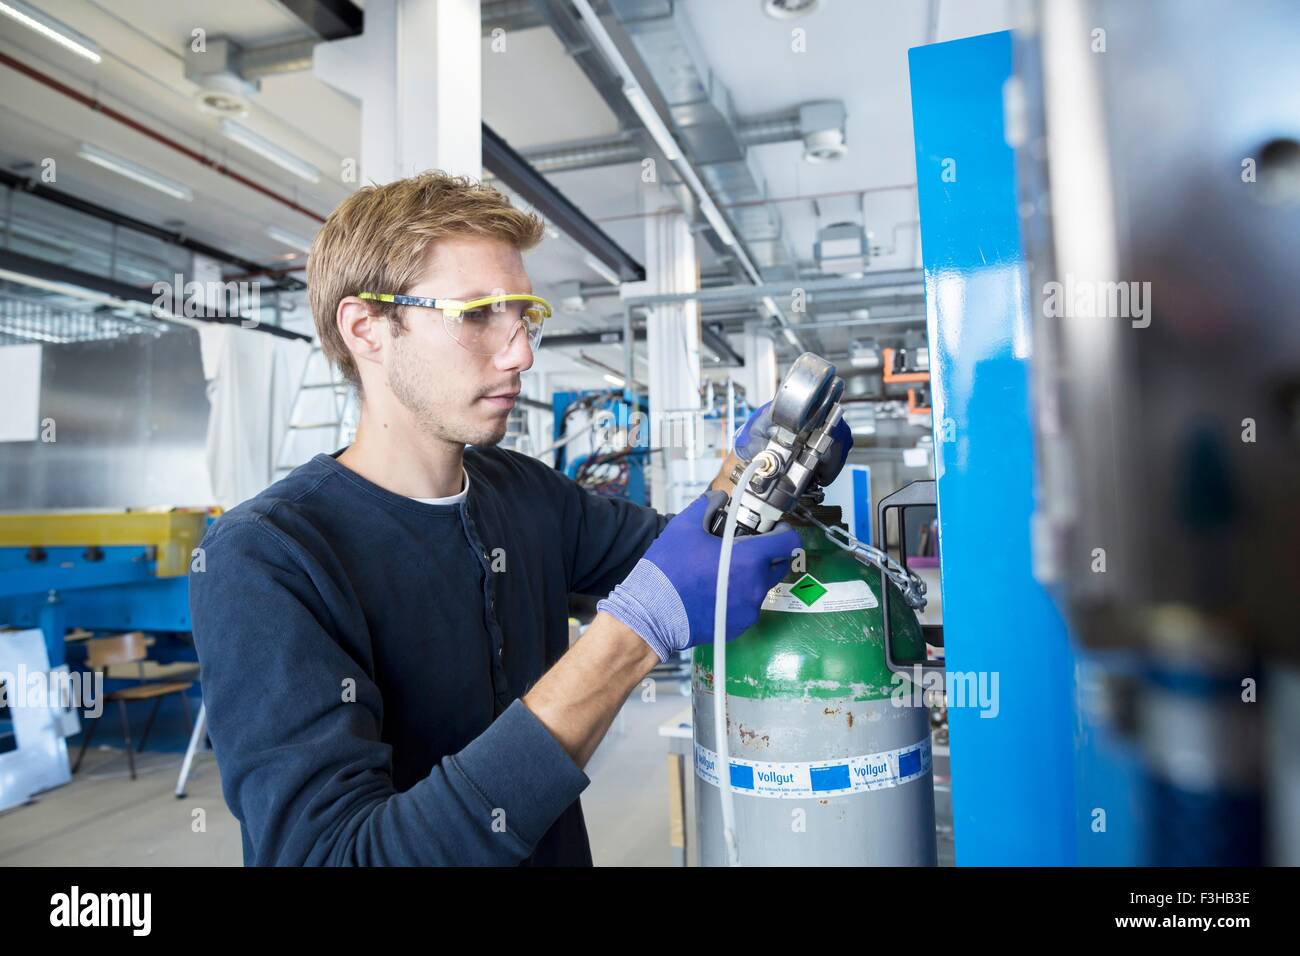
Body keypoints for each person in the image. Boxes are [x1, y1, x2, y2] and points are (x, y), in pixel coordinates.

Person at [188, 170, 849, 865]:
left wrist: (764, 473)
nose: (522, 353)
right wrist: (629, 639)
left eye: (523, 317)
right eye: (476, 315)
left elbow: (693, 557)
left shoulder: (522, 493)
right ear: (367, 329)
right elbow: (339, 856)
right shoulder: (268, 559)